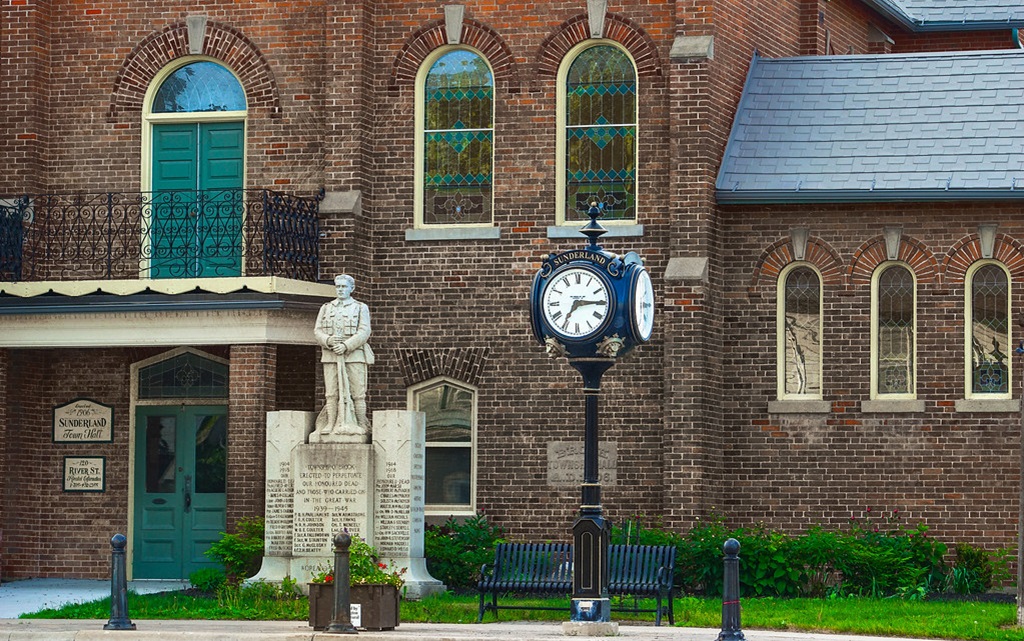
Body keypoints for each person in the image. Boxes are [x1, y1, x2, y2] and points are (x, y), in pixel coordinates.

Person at [314, 274, 374, 439]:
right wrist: (328, 340)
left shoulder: (360, 307)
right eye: (338, 286)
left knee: (358, 393)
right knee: (331, 393)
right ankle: (330, 423)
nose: (340, 290)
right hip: (331, 355)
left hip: (354, 355)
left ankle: (361, 423)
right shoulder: (326, 308)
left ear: (351, 288)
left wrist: (346, 345)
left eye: (344, 287)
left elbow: (364, 331)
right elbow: (318, 330)